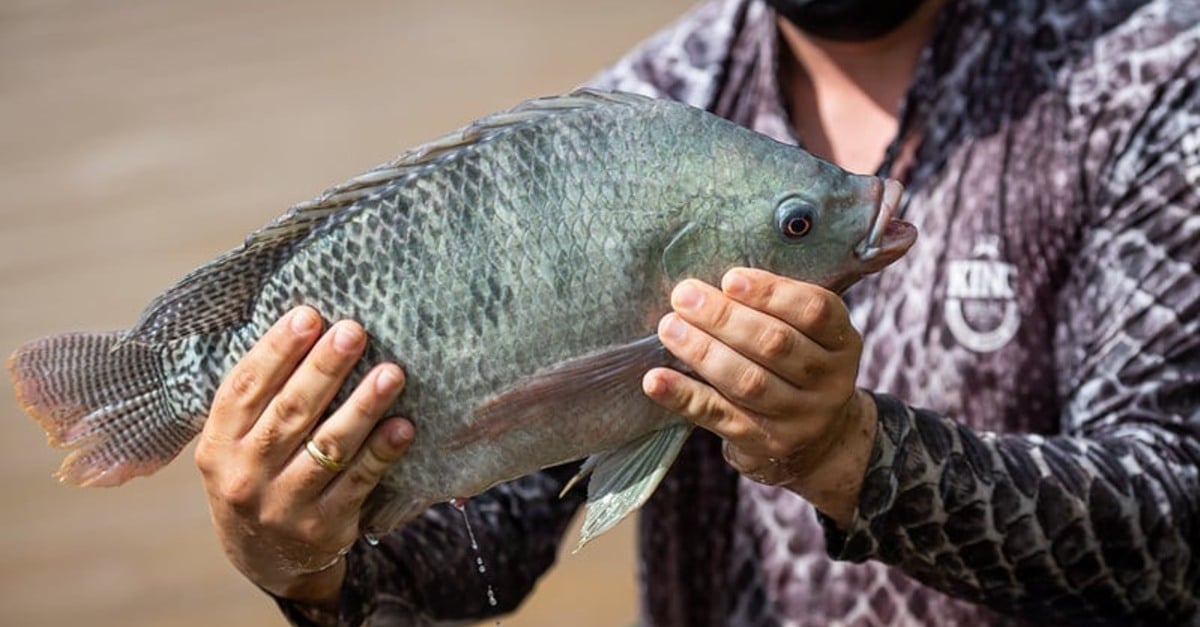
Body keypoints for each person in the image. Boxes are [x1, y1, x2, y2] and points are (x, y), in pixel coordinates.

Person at [194, 0, 1200, 624]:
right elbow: (482, 549)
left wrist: (855, 456)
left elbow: (1175, 534)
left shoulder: (1148, 76)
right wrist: (303, 560)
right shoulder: (642, 110)